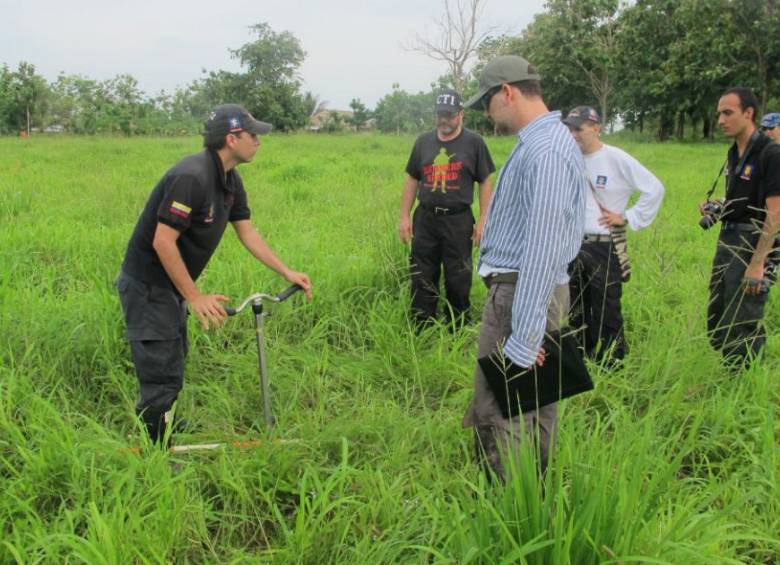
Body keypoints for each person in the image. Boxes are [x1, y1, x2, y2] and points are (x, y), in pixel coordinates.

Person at [117, 104, 312, 444]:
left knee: (174, 362)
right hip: (148, 287)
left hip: (171, 287)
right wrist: (194, 296)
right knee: (161, 374)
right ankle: (153, 456)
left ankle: (164, 431)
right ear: (232, 138)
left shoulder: (229, 180)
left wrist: (287, 271)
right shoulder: (191, 177)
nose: (259, 142)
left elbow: (248, 233)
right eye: (254, 136)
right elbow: (163, 242)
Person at [461, 56, 586, 481]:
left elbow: (544, 243)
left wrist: (527, 331)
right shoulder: (541, 141)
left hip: (523, 291)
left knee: (506, 403)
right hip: (532, 289)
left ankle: (509, 509)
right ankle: (535, 490)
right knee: (536, 397)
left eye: (488, 103)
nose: (487, 113)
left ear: (507, 92)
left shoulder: (547, 148)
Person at [563, 106, 665, 364]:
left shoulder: (616, 158)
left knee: (606, 309)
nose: (574, 134)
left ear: (596, 128)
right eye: (570, 128)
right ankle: (580, 362)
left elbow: (654, 189)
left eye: (579, 128)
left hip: (603, 246)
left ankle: (612, 364)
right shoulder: (567, 158)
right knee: (575, 309)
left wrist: (627, 217)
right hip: (572, 245)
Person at [399, 89, 495, 328]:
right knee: (422, 274)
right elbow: (412, 178)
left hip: (458, 220)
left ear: (461, 114)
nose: (444, 120)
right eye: (440, 114)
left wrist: (483, 220)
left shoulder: (474, 143)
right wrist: (404, 216)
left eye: (449, 115)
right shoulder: (423, 142)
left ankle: (457, 326)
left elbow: (484, 181)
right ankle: (423, 326)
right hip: (426, 218)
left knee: (458, 276)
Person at [704, 88, 780, 369]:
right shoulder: (734, 151)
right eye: (719, 114)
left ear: (749, 113)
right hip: (729, 237)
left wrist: (758, 263)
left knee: (743, 316)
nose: (721, 120)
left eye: (728, 112)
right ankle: (732, 370)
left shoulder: (770, 153)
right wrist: (719, 205)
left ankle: (742, 381)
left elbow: (776, 214)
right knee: (719, 311)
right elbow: (744, 197)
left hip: (753, 241)